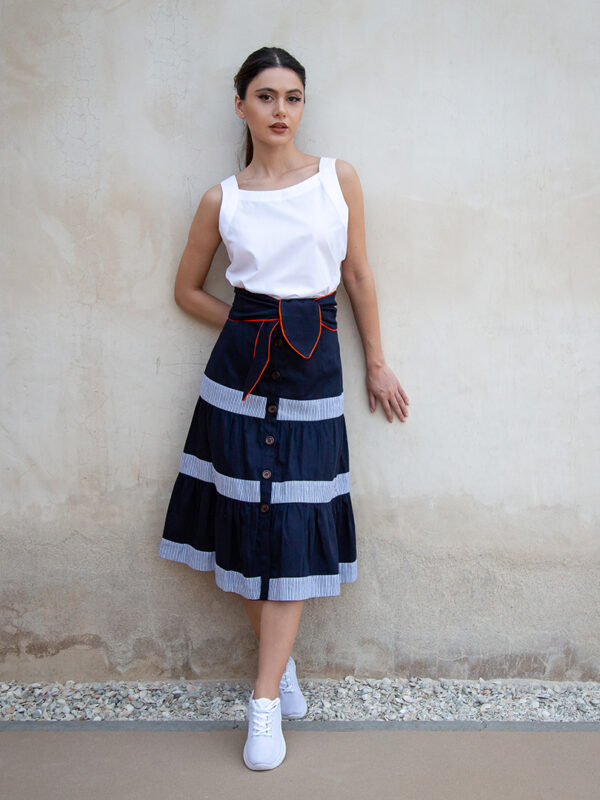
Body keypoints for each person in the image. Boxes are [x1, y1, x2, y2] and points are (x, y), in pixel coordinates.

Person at [158, 46, 410, 770]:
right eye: (265, 96)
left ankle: (263, 700)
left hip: (316, 372)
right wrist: (247, 330)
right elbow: (188, 290)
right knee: (247, 518)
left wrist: (378, 362)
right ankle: (277, 677)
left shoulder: (338, 179)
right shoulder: (223, 199)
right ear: (241, 106)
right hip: (238, 378)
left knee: (293, 523)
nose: (279, 110)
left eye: (292, 97)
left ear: (303, 106)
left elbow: (357, 276)